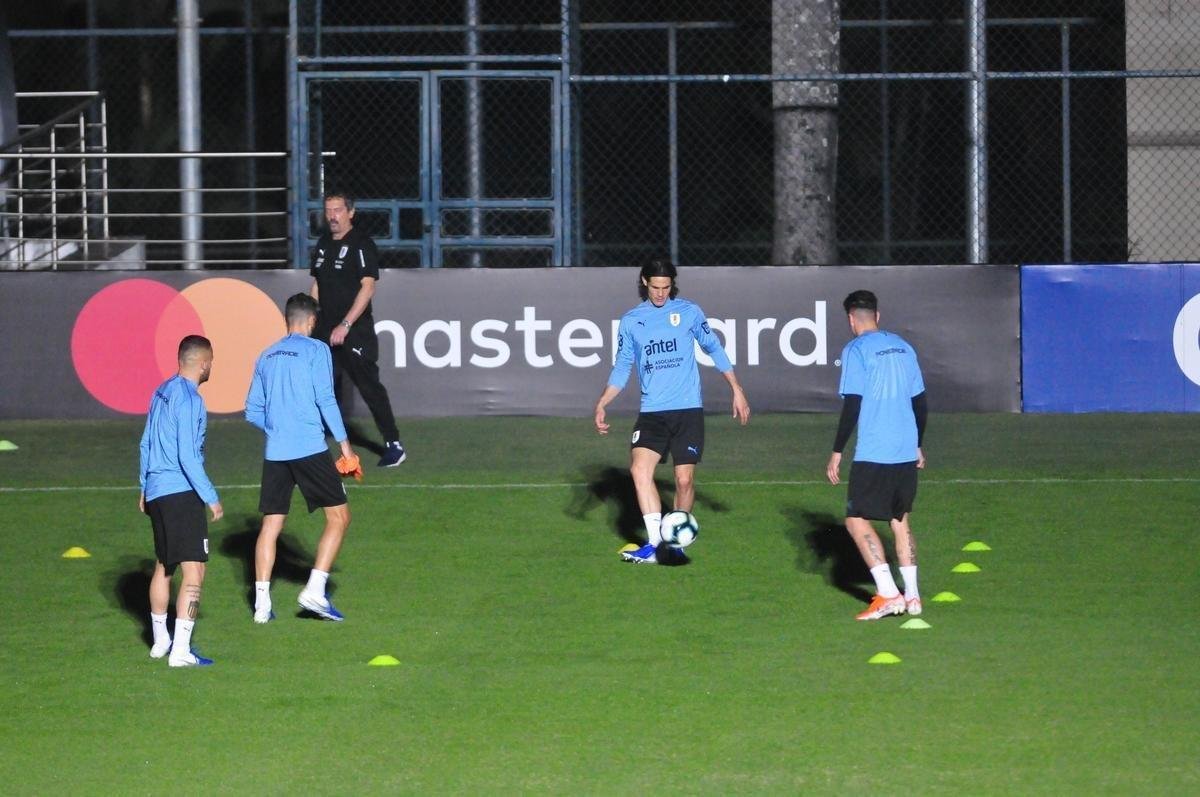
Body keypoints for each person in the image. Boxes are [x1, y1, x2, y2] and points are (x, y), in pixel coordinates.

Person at [594, 261, 751, 564]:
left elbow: (713, 347)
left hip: (687, 411)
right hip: (652, 412)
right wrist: (603, 402)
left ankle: (677, 543)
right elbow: (622, 366)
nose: (660, 293)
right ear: (644, 282)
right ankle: (654, 544)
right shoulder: (631, 321)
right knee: (639, 470)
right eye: (655, 287)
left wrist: (737, 388)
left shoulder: (689, 312)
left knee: (684, 481)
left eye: (666, 287)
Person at [245, 293, 356, 623]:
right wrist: (345, 446)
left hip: (276, 452)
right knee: (339, 518)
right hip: (309, 448)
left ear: (286, 319)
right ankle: (314, 591)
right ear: (311, 321)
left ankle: (261, 606)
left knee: (271, 525)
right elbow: (326, 399)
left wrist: (277, 428)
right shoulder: (317, 350)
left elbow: (252, 411)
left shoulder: (266, 355)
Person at [825, 290, 928, 620]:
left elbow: (853, 404)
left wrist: (837, 450)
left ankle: (888, 594)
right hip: (904, 448)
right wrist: (917, 444)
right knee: (900, 519)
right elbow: (920, 402)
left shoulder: (855, 350)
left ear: (851, 319)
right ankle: (913, 597)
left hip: (875, 451)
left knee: (855, 520)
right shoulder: (904, 347)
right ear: (877, 316)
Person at [138, 335, 223, 667]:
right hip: (181, 492)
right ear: (203, 363)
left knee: (164, 565)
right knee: (195, 571)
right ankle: (181, 650)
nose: (211, 367)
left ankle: (161, 640)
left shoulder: (161, 391)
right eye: (211, 362)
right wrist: (210, 497)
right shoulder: (190, 400)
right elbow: (187, 456)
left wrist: (144, 487)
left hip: (158, 491)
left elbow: (146, 442)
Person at [310, 191, 406, 467]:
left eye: (338, 210)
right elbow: (317, 284)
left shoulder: (361, 244)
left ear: (350, 213)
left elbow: (368, 287)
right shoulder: (323, 244)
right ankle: (317, 438)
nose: (332, 216)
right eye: (328, 210)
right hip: (324, 328)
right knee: (319, 383)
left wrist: (346, 324)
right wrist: (310, 317)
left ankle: (393, 444)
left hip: (354, 330)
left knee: (368, 386)